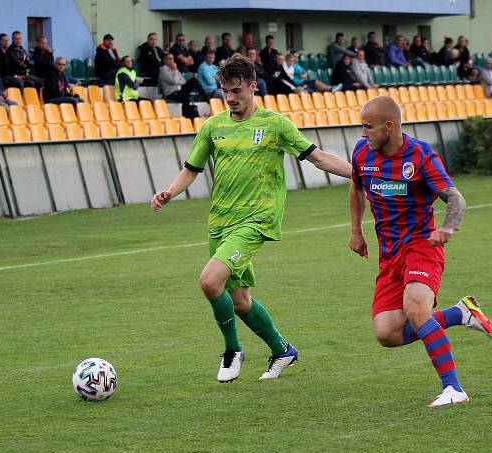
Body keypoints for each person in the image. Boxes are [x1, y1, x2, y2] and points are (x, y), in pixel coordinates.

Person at [151, 55, 353, 383]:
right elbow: (191, 170)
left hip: (256, 220)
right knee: (241, 301)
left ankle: (233, 350)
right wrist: (169, 193)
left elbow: (318, 158)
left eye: (237, 90)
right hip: (220, 223)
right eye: (225, 91)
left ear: (253, 87)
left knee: (209, 281)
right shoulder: (213, 127)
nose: (230, 97)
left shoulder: (275, 125)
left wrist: (362, 174)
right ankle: (282, 349)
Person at [348, 95, 492, 407]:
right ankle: (460, 312)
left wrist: (447, 228)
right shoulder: (363, 152)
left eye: (368, 127)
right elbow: (356, 187)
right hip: (389, 254)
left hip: (422, 246)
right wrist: (356, 230)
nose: (363, 133)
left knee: (416, 309)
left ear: (389, 127)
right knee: (387, 333)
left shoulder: (420, 156)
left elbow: (455, 198)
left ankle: (453, 389)